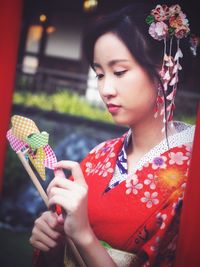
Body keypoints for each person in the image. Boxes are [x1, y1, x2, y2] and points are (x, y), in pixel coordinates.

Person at [30, 2, 195, 266]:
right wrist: (54, 241)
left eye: (119, 72)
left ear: (165, 70)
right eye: (99, 74)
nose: (105, 89)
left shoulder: (192, 171)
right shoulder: (98, 156)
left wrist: (84, 236)